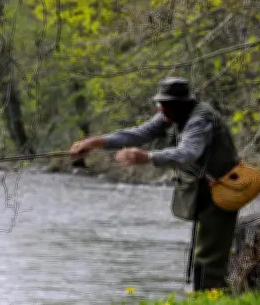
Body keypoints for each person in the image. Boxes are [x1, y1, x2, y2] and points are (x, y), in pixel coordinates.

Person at [69, 76, 240, 292]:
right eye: (160, 103)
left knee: (209, 256)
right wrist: (95, 142)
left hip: (224, 190)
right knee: (202, 252)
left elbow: (187, 153)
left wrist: (147, 157)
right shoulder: (173, 112)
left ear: (182, 104)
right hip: (205, 190)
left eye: (166, 104)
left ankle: (212, 296)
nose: (161, 109)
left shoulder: (200, 120)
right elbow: (140, 133)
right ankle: (204, 296)